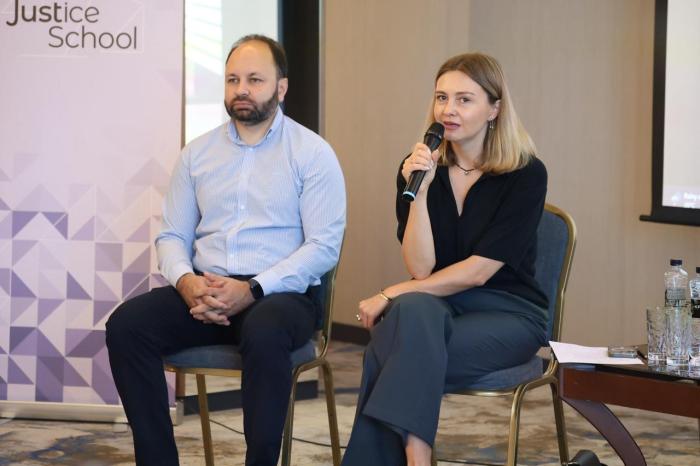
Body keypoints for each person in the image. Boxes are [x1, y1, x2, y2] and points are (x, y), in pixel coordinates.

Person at [105, 34, 346, 466]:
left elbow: (323, 247)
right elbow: (172, 236)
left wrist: (252, 289)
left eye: (255, 79)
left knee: (266, 330)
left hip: (279, 297)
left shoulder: (312, 153)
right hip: (206, 291)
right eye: (233, 79)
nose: (242, 90)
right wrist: (186, 283)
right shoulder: (197, 154)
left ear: (281, 87)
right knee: (127, 326)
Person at [341, 52, 548, 466]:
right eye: (441, 97)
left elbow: (478, 272)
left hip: (509, 313)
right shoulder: (417, 170)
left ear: (494, 109)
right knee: (413, 316)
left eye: (464, 100)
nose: (448, 110)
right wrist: (418, 193)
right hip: (438, 307)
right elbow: (421, 269)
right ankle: (418, 459)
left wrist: (391, 292)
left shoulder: (526, 174)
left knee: (390, 346)